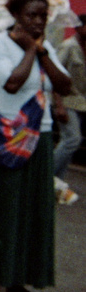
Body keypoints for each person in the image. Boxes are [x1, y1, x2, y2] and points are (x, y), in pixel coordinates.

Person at [0, 0, 72, 292]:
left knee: (32, 212)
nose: (39, 21)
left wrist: (41, 52)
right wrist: (31, 50)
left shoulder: (46, 48)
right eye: (32, 15)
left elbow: (65, 84)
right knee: (6, 210)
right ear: (17, 16)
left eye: (43, 16)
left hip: (40, 136)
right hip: (10, 138)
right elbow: (12, 82)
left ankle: (17, 281)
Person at [53, 14, 85, 201]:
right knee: (73, 139)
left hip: (80, 102)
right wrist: (59, 106)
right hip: (65, 102)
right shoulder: (68, 46)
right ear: (79, 28)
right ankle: (45, 177)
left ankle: (57, 184)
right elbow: (56, 74)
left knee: (70, 143)